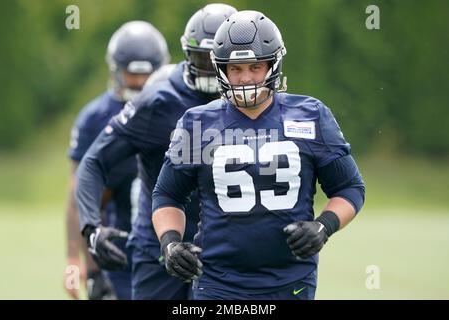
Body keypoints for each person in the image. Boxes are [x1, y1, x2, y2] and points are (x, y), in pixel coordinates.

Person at [151, 10, 366, 300]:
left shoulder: (310, 116)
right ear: (221, 70)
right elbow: (167, 194)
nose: (245, 78)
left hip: (291, 279)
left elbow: (350, 188)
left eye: (255, 67)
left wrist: (323, 226)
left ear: (272, 65)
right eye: (236, 69)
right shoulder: (197, 123)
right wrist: (171, 243)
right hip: (218, 283)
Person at [75, 4, 238, 300]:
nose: (212, 70)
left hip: (229, 250)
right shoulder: (157, 100)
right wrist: (91, 229)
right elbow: (94, 161)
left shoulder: (257, 101)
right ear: (187, 55)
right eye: (204, 59)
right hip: (157, 250)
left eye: (220, 60)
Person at [65, 20, 170, 300]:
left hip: (170, 251)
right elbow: (80, 196)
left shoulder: (179, 108)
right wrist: (82, 263)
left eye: (146, 74)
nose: (138, 83)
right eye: (130, 74)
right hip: (117, 253)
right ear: (116, 70)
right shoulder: (95, 118)